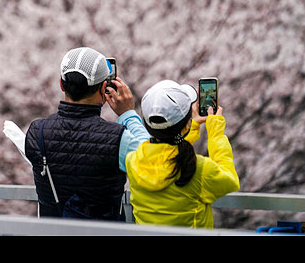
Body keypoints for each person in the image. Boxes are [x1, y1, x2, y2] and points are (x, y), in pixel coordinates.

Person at [24, 47, 149, 220]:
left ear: (61, 84)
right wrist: (128, 114)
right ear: (104, 87)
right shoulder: (118, 138)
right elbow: (152, 160)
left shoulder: (36, 131)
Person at [125, 80, 240, 228]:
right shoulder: (199, 169)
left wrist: (190, 127)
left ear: (147, 125)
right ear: (187, 124)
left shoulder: (133, 161)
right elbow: (230, 180)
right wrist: (215, 132)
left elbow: (167, 149)